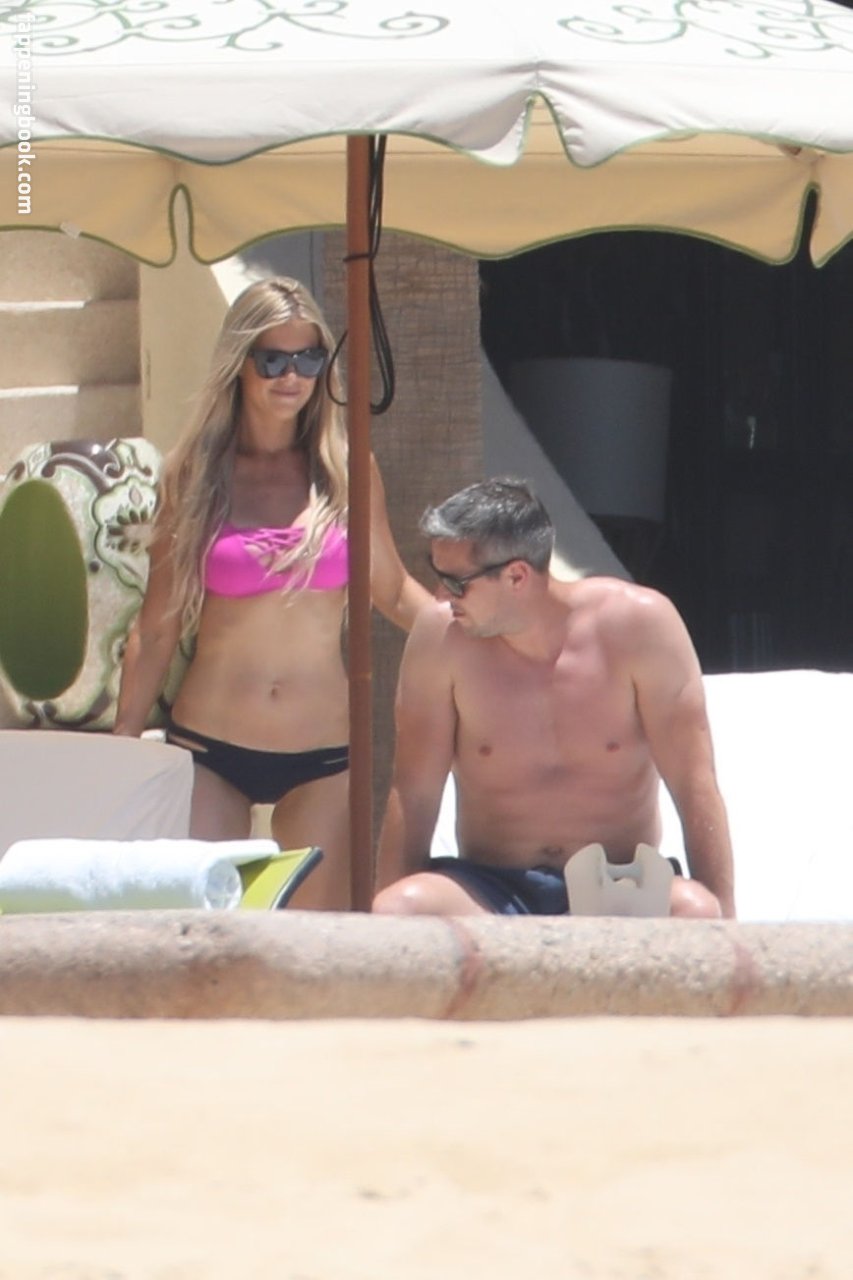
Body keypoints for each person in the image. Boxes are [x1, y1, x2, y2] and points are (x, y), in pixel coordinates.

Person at [114, 276, 430, 910]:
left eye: (310, 359)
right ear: (240, 363)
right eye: (273, 360)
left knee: (313, 950)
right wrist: (122, 746)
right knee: (202, 939)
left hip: (323, 754)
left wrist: (482, 632)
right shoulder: (196, 474)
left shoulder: (345, 470)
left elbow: (393, 591)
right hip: (209, 746)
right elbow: (157, 626)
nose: (293, 376)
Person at [373, 477, 735, 919]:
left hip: (618, 885)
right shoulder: (441, 638)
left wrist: (729, 928)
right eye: (437, 576)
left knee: (699, 912)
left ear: (517, 576)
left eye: (456, 583)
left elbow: (694, 783)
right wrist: (384, 937)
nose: (440, 597)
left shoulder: (639, 627)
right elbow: (414, 791)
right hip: (491, 888)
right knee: (397, 910)